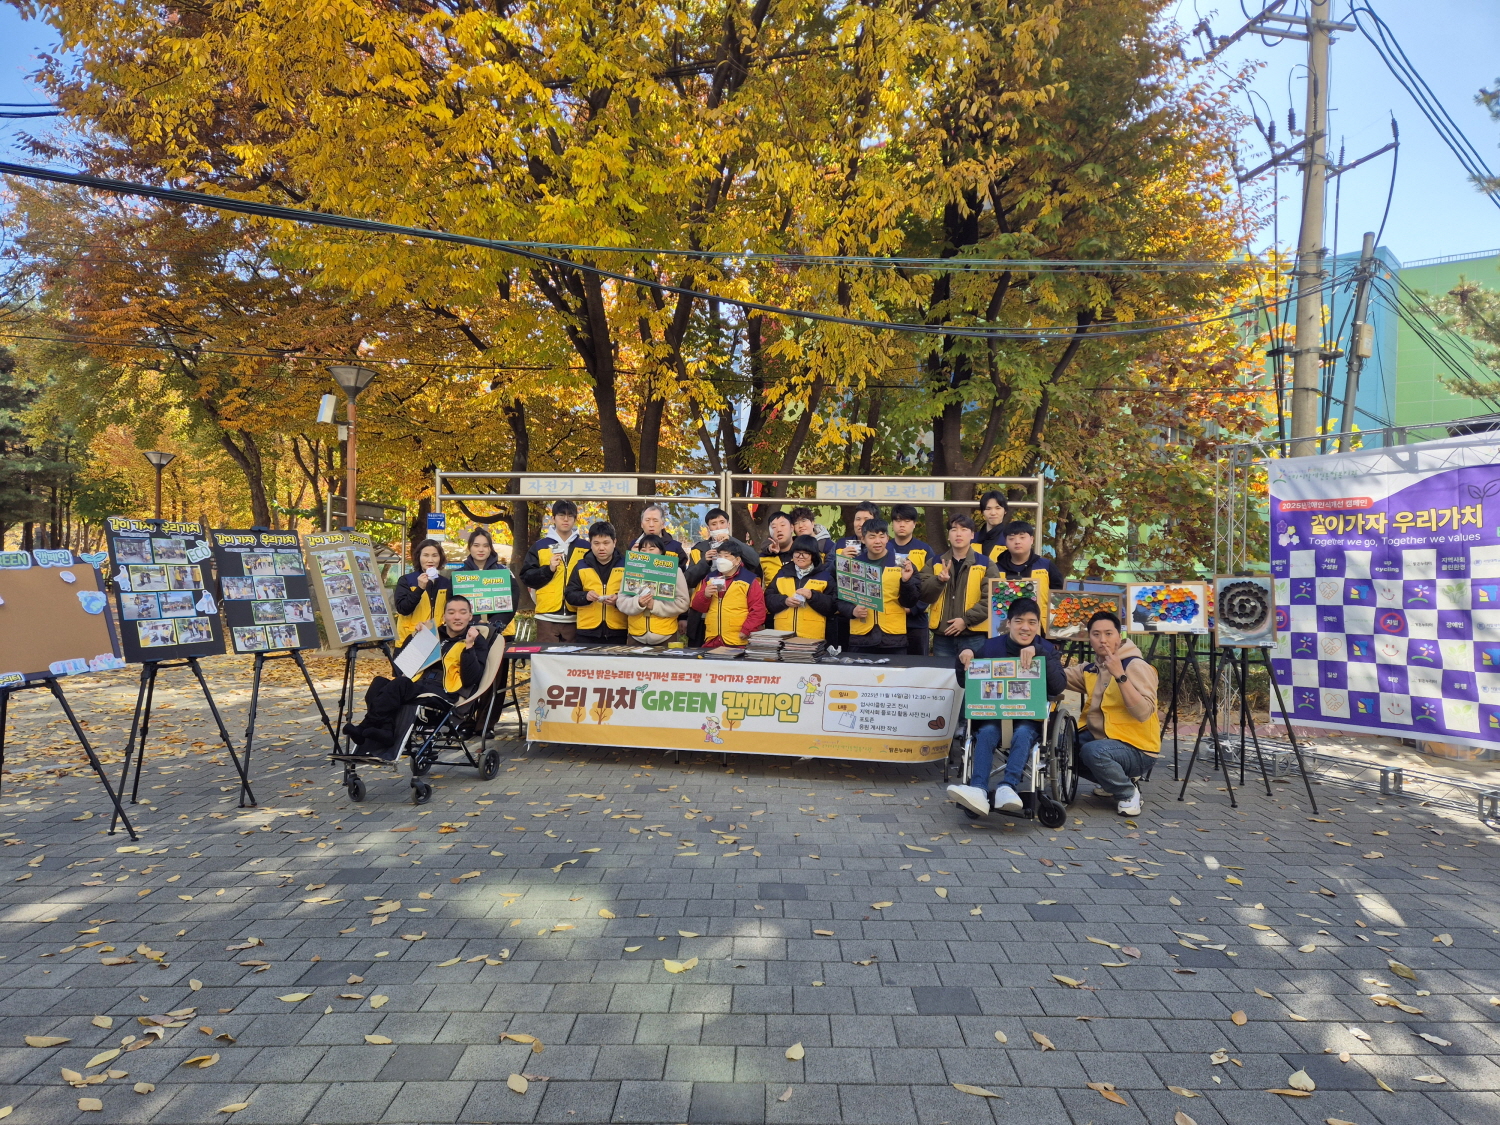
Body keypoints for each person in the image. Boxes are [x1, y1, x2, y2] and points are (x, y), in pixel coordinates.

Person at [945, 597, 1066, 816]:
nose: (1025, 627)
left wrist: (1041, 654)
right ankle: (978, 789)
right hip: (994, 716)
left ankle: (1008, 786)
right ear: (1008, 623)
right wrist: (964, 659)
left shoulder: (1048, 648)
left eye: (1032, 622)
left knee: (1022, 733)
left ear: (1038, 625)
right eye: (1019, 621)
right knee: (987, 732)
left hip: (1030, 718)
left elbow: (1059, 686)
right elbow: (966, 682)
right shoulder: (990, 647)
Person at [341, 595, 491, 758]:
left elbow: (472, 679)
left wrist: (469, 646)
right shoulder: (434, 633)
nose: (457, 617)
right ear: (444, 616)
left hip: (443, 692)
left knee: (400, 684)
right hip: (418, 685)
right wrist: (415, 637)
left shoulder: (477, 641)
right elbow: (403, 666)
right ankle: (386, 730)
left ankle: (364, 727)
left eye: (462, 612)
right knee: (379, 683)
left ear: (470, 616)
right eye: (451, 612)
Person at [1064, 610, 1160, 817]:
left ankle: (1127, 792)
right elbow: (1055, 676)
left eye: (1109, 634)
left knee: (1093, 752)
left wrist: (1120, 675)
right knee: (1064, 746)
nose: (1103, 640)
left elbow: (1144, 713)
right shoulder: (1092, 668)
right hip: (1106, 740)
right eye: (1096, 634)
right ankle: (1113, 780)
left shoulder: (1136, 665)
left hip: (1139, 749)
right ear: (1089, 638)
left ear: (1120, 636)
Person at [836, 518, 936, 655]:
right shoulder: (852, 565)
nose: (878, 541)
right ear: (863, 539)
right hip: (861, 637)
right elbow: (839, 598)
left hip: (893, 638)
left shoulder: (903, 564)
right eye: (872, 537)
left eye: (881, 536)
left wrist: (906, 582)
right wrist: (852, 610)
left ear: (887, 538)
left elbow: (910, 601)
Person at [519, 500, 591, 644]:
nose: (566, 519)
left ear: (575, 519)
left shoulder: (586, 547)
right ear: (553, 518)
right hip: (546, 617)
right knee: (547, 662)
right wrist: (548, 569)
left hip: (577, 615)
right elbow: (526, 577)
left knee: (571, 663)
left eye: (570, 516)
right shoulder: (540, 546)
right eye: (561, 515)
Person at [930, 515, 999, 660]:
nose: (958, 534)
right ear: (948, 535)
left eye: (964, 529)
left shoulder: (986, 564)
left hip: (973, 636)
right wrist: (938, 581)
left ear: (972, 534)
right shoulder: (935, 562)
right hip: (943, 637)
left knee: (974, 680)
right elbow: (923, 593)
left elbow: (993, 599)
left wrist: (965, 620)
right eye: (954, 529)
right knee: (942, 679)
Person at [614, 533, 691, 645]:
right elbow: (621, 600)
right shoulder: (631, 570)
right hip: (636, 636)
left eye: (652, 548)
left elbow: (683, 603)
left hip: (666, 635)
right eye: (643, 549)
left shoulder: (674, 571)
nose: (647, 552)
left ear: (661, 551)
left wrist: (654, 605)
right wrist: (638, 603)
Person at [689, 542, 766, 648]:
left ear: (737, 560)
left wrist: (746, 630)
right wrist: (705, 595)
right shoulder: (710, 578)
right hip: (713, 639)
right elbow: (697, 606)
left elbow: (758, 610)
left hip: (738, 640)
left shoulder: (749, 580)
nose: (721, 560)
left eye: (726, 556)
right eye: (719, 556)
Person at [564, 521, 629, 644]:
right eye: (596, 543)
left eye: (606, 543)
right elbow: (569, 594)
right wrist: (585, 596)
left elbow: (634, 594)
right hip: (587, 632)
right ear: (590, 544)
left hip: (619, 630)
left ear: (614, 542)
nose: (601, 548)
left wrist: (618, 599)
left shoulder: (626, 565)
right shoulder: (581, 565)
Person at [763, 534, 836, 640]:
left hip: (812, 638)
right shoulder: (782, 573)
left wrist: (812, 596)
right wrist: (785, 601)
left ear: (813, 556)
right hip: (783, 636)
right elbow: (768, 599)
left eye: (806, 553)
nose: (800, 556)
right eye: (797, 552)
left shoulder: (824, 576)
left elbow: (833, 606)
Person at [890, 503, 937, 656]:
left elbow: (930, 585)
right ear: (892, 524)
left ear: (914, 524)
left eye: (907, 521)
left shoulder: (925, 550)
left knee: (917, 668)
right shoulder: (884, 548)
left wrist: (913, 609)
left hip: (916, 622)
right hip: (887, 621)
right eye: (897, 520)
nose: (902, 524)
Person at [453, 528, 517, 637]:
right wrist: (476, 623)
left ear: (490, 548)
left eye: (485, 546)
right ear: (469, 547)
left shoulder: (503, 572)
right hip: (468, 633)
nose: (481, 550)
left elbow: (513, 599)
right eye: (476, 545)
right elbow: (453, 603)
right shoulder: (459, 575)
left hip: (502, 633)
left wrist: (494, 625)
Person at [393, 538, 450, 645]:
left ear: (440, 558)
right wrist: (419, 589)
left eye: (434, 555)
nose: (430, 560)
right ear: (419, 557)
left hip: (436, 641)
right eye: (426, 555)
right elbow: (403, 609)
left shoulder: (445, 583)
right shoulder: (406, 580)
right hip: (409, 640)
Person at [995, 520, 1065, 603]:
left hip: (1040, 615)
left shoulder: (1046, 566)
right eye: (1011, 538)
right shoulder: (996, 568)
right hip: (1005, 615)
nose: (1017, 542)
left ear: (1032, 540)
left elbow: (1059, 597)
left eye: (1022, 537)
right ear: (1005, 542)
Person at [630, 503, 689, 570]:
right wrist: (634, 556)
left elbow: (683, 574)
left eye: (655, 520)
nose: (651, 524)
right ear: (641, 524)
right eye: (647, 520)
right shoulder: (634, 545)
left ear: (663, 524)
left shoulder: (675, 547)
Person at [974, 490, 1010, 563]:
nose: (993, 513)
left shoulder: (1011, 540)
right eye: (988, 508)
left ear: (1005, 511)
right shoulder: (972, 539)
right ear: (982, 511)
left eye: (998, 508)